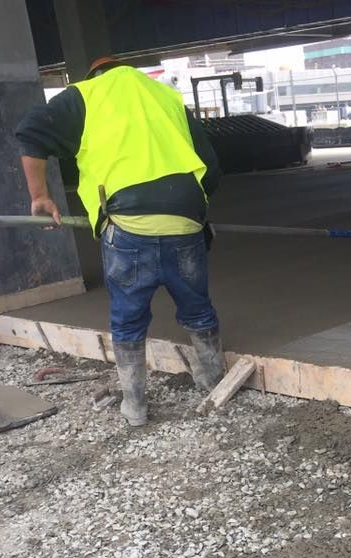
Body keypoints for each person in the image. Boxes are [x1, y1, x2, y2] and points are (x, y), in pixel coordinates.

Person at [16, 57, 223, 427]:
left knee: (128, 318)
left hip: (128, 223)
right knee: (198, 308)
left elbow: (31, 133)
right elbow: (210, 164)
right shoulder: (166, 96)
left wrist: (41, 196)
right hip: (185, 219)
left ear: (94, 74)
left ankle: (135, 408)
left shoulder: (85, 94)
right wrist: (192, 210)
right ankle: (213, 386)